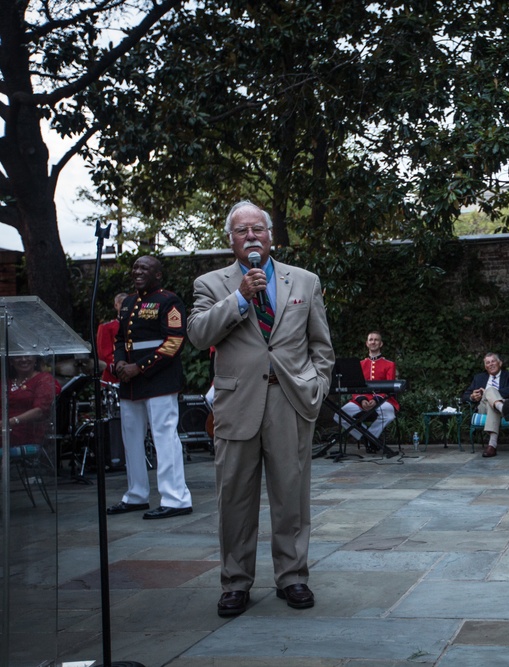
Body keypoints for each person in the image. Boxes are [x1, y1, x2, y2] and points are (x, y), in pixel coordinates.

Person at [187, 201, 334, 617]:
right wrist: (239, 299)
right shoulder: (210, 284)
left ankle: (293, 577)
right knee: (234, 498)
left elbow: (321, 345)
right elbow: (198, 335)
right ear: (230, 240)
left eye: (258, 229)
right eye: (241, 231)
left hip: (290, 402)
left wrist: (317, 385)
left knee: (292, 496)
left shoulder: (305, 281)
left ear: (271, 236)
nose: (251, 237)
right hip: (237, 405)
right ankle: (235, 583)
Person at [108, 256, 193, 521]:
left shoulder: (169, 301)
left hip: (158, 379)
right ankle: (136, 494)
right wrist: (120, 361)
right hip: (130, 382)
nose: (137, 272)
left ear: (158, 275)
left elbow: (175, 342)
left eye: (144, 268)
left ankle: (176, 498)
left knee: (164, 438)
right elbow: (121, 338)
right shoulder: (129, 303)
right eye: (135, 268)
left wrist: (140, 367)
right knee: (130, 439)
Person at [338, 331, 398, 445]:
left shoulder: (389, 364)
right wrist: (362, 399)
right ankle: (367, 438)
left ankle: (369, 438)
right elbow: (355, 387)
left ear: (381, 344)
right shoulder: (359, 364)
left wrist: (376, 400)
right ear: (367, 343)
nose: (373, 342)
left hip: (382, 399)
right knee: (339, 415)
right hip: (361, 400)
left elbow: (389, 387)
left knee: (389, 415)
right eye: (371, 339)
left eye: (376, 340)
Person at [461, 352, 509, 458]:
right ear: (485, 366)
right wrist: (473, 397)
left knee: (491, 399)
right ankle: (500, 407)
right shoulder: (479, 378)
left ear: (500, 363)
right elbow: (465, 396)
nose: (491, 364)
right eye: (488, 362)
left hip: (507, 406)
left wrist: (488, 392)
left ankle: (492, 445)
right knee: (490, 394)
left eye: (493, 361)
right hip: (484, 408)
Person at [5, 355, 60, 446]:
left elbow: (39, 411)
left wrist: (11, 422)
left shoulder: (43, 379)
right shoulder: (6, 381)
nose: (23, 359)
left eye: (28, 356)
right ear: (11, 361)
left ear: (35, 359)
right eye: (18, 357)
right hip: (3, 435)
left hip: (27, 437)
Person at [96, 292, 128, 383]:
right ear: (116, 305)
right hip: (114, 377)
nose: (125, 306)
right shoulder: (106, 327)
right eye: (122, 303)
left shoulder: (137, 326)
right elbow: (104, 355)